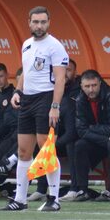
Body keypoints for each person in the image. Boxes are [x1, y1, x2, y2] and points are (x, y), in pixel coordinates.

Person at [0, 6, 69, 212]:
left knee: (46, 151)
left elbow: (60, 79)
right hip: (27, 101)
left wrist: (55, 106)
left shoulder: (55, 46)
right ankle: (20, 200)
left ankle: (53, 199)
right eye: (36, 22)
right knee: (23, 151)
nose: (39, 26)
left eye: (43, 22)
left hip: (46, 99)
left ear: (49, 22)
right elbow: (26, 73)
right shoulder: (27, 44)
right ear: (29, 22)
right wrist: (17, 92)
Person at [28, 59, 79, 202]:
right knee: (36, 143)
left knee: (72, 145)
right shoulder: (46, 92)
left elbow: (72, 131)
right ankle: (41, 189)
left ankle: (74, 189)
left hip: (70, 137)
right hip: (52, 137)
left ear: (75, 72)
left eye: (68, 70)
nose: (65, 73)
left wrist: (53, 144)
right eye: (62, 70)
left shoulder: (74, 95)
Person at [74, 69, 110, 201]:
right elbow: (80, 130)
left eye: (94, 85)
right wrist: (103, 136)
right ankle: (82, 190)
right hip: (102, 139)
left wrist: (91, 128)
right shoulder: (80, 99)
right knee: (80, 145)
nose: (91, 89)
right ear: (81, 86)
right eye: (87, 86)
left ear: (100, 83)